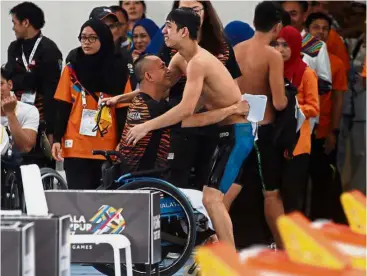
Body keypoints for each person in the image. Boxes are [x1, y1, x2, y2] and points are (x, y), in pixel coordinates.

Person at [125, 8, 253, 247]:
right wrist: (119, 99)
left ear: (183, 31)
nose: (163, 32)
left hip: (236, 133)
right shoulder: (180, 59)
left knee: (213, 200)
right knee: (210, 199)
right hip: (223, 130)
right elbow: (157, 85)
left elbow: (185, 109)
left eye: (168, 27)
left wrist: (146, 126)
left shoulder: (198, 63)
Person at [119, 54, 249, 172]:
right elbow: (199, 120)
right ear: (149, 76)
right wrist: (234, 109)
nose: (168, 70)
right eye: (162, 67)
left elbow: (185, 111)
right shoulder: (152, 108)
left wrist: (208, 92)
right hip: (145, 180)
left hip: (136, 175)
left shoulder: (141, 101)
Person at [231, 1, 288, 248]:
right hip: (262, 131)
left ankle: (214, 241)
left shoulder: (236, 49)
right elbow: (279, 102)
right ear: (277, 27)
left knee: (229, 188)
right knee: (271, 193)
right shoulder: (272, 55)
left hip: (237, 126)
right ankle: (286, 249)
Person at [52, 19, 127, 190]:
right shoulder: (72, 69)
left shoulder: (119, 69)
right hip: (76, 144)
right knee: (78, 202)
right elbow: (63, 106)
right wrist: (57, 139)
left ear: (104, 39)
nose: (86, 42)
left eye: (93, 38)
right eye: (83, 37)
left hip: (106, 145)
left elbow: (124, 109)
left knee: (104, 204)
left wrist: (121, 142)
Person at [305, 12, 348, 222]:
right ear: (307, 30)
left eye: (325, 28)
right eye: (316, 27)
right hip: (300, 131)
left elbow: (339, 99)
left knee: (323, 182)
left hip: (323, 132)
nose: (320, 32)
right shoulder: (297, 56)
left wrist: (333, 132)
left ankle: (320, 226)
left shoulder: (336, 63)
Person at [274, 26, 319, 214]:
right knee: (273, 193)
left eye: (286, 45)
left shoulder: (306, 73)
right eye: (277, 44)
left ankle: (295, 238)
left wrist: (294, 108)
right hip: (274, 139)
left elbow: (314, 107)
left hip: (298, 142)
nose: (281, 50)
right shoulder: (273, 70)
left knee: (292, 195)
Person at [5, 1, 62, 147]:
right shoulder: (14, 48)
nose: (13, 28)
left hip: (41, 115)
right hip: (17, 114)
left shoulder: (49, 50)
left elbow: (52, 91)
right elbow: (10, 79)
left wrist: (52, 131)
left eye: (15, 23)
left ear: (25, 22)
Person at [1, 67, 39, 153]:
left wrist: (10, 113)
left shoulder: (29, 111)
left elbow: (25, 148)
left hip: (16, 163)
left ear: (10, 85)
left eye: (1, 84)